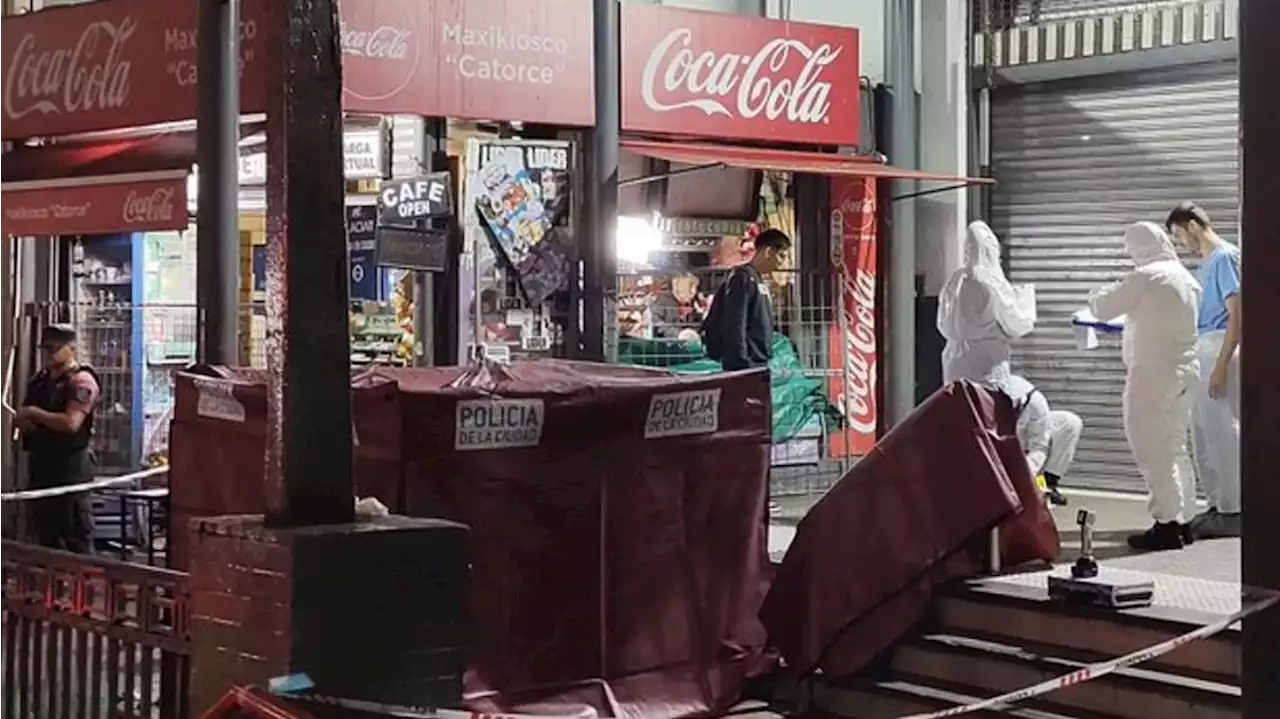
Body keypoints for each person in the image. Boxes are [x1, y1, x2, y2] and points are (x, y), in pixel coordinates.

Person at [1089, 222, 1201, 551]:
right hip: (1185, 369)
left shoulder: (1147, 275)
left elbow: (1104, 307)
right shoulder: (1186, 277)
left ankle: (1165, 525)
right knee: (1176, 445)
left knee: (1151, 448)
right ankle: (1183, 521)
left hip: (1153, 374)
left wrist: (1093, 297)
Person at [1165, 202, 1241, 539]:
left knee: (1223, 432)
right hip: (1204, 349)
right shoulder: (1208, 263)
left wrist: (1223, 364)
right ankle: (1216, 505)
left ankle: (1233, 510)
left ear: (1193, 226)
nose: (1181, 243)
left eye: (1179, 235)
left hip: (1219, 348)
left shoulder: (1225, 257)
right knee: (1205, 434)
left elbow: (1237, 314)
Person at [15, 325, 100, 553]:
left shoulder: (81, 382)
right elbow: (24, 419)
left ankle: (83, 588)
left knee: (75, 538)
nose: (49, 354)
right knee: (46, 539)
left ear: (71, 349)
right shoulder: (39, 382)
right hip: (42, 468)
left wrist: (34, 414)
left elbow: (71, 423)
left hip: (70, 471)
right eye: (45, 348)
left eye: (54, 348)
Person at [938, 221, 1036, 386]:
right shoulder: (991, 280)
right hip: (986, 368)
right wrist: (1025, 299)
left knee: (957, 410)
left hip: (954, 367)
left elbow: (942, 323)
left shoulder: (954, 280)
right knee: (988, 411)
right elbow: (1018, 324)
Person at [702, 228, 792, 371]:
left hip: (757, 361)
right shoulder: (742, 278)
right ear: (768, 251)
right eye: (781, 256)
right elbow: (735, 323)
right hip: (746, 364)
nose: (782, 262)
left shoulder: (757, 280)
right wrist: (740, 363)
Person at [1000, 374, 1084, 507]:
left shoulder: (1035, 401)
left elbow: (1039, 446)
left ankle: (1047, 484)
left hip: (1023, 443)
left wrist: (1025, 475)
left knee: (1070, 422)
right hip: (999, 447)